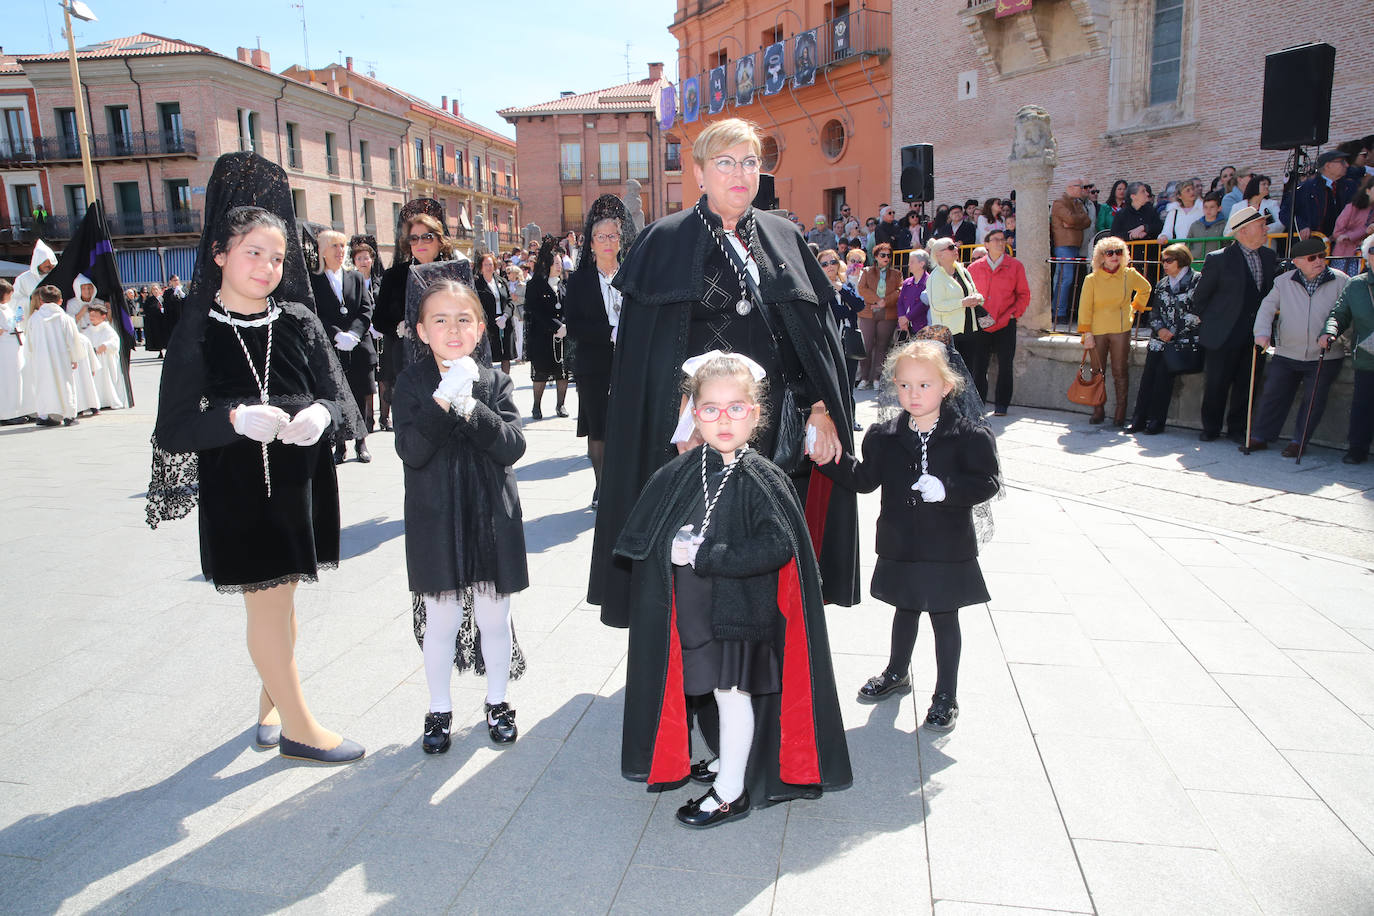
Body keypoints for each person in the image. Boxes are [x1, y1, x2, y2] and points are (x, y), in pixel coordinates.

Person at [587, 117, 860, 629]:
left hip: (779, 438)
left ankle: (771, 673)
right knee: (704, 567)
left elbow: (815, 343)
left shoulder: (784, 236)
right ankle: (702, 677)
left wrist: (823, 411)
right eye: (725, 162)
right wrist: (682, 423)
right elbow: (647, 364)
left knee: (773, 556)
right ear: (699, 173)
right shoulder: (661, 242)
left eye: (750, 162)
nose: (740, 173)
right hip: (700, 440)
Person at [148, 153, 365, 765]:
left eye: (277, 257)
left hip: (301, 485)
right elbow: (173, 427)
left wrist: (321, 416)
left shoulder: (297, 318)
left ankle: (270, 706)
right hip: (239, 491)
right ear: (219, 253)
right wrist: (234, 420)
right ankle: (299, 727)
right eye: (253, 253)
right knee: (268, 603)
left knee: (284, 602)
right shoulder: (196, 328)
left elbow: (342, 400)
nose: (268, 267)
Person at [614, 352, 851, 826]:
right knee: (713, 692)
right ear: (693, 413)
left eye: (736, 408)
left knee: (732, 695)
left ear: (756, 414)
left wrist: (706, 554)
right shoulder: (684, 469)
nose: (724, 420)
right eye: (710, 409)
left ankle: (730, 792)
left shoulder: (762, 479)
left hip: (742, 614)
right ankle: (730, 761)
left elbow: (779, 547)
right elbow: (646, 534)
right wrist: (672, 546)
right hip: (700, 612)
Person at [820, 335, 1000, 731]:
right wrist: (829, 458)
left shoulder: (970, 435)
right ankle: (897, 671)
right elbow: (864, 479)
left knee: (943, 616)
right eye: (904, 385)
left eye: (924, 385)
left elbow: (987, 482)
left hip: (946, 545)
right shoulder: (885, 436)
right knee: (905, 608)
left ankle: (945, 694)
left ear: (947, 386)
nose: (913, 394)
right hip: (901, 541)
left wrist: (948, 489)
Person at [394, 280, 528, 753]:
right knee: (442, 618)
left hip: (492, 516)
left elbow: (513, 444)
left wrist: (471, 406)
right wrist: (441, 401)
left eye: (463, 319)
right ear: (421, 330)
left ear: (481, 328)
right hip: (437, 517)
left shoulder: (495, 381)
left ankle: (498, 699)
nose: (453, 329)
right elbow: (411, 449)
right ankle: (439, 708)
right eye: (440, 319)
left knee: (495, 616)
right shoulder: (411, 382)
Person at [1246, 238, 1349, 456]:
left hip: (1324, 354)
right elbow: (1267, 307)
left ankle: (1298, 442)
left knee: (1313, 401)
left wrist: (1343, 340)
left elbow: (1347, 314)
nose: (1319, 261)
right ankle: (1260, 436)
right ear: (1297, 262)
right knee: (1273, 395)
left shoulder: (1342, 281)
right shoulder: (1283, 281)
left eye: (1322, 256)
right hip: (1287, 351)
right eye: (1312, 258)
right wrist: (1262, 333)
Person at [564, 194, 635, 508]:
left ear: (620, 240)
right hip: (593, 363)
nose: (607, 241)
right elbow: (575, 326)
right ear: (590, 243)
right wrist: (610, 332)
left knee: (628, 424)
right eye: (600, 236)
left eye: (613, 235)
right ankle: (601, 487)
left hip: (629, 361)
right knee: (599, 427)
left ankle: (626, 486)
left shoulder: (633, 276)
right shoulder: (578, 281)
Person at [1193, 206, 1279, 443]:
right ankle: (1210, 428)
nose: (1266, 229)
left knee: (1248, 384)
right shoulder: (1219, 259)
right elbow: (1200, 298)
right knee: (1217, 384)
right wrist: (1214, 322)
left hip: (1255, 334)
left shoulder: (1269, 257)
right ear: (1242, 231)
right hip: (1223, 334)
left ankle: (1238, 428)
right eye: (1261, 225)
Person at [374, 200, 454, 430]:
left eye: (427, 237)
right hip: (407, 362)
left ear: (440, 240)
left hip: (448, 361)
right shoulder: (394, 276)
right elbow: (379, 319)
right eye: (414, 238)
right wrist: (397, 327)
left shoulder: (453, 272)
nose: (420, 243)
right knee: (415, 431)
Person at [309, 229, 376, 464]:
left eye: (342, 246)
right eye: (335, 246)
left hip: (358, 347)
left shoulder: (356, 278)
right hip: (332, 347)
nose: (340, 251)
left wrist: (355, 334)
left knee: (360, 395)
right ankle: (340, 444)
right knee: (336, 395)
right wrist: (336, 335)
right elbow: (314, 312)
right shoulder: (314, 280)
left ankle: (361, 442)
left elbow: (366, 309)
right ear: (323, 251)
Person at [1127, 244, 1201, 435]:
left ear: (1181, 260)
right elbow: (1155, 311)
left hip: (1181, 340)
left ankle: (1156, 421)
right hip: (1159, 340)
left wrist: (1173, 331)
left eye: (1169, 261)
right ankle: (1138, 419)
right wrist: (1160, 329)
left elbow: (1196, 312)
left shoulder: (1196, 280)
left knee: (1163, 378)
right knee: (1148, 378)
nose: (1164, 265)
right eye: (1163, 261)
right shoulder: (1162, 283)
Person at [1078, 237, 1153, 426]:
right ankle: (1098, 409)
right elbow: (1085, 307)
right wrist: (1086, 333)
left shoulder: (1129, 274)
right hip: (1097, 330)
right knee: (1097, 371)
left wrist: (1135, 307)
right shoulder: (1092, 279)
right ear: (1101, 257)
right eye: (1109, 252)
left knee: (1121, 371)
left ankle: (1120, 412)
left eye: (1118, 252)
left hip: (1121, 329)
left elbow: (1146, 288)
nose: (1114, 256)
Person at [1319, 235, 1374, 464]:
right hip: (1368, 356)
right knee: (1363, 405)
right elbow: (1339, 314)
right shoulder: (1357, 285)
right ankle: (1357, 449)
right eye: (1373, 250)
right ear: (1366, 256)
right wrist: (1329, 331)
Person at [967, 228, 1030, 416]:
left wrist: (1013, 314)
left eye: (1002, 240)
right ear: (986, 244)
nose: (1000, 243)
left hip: (1006, 323)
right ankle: (978, 405)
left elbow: (1024, 294)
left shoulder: (1015, 266)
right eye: (995, 240)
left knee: (1005, 365)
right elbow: (969, 294)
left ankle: (1002, 405)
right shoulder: (974, 268)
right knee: (979, 366)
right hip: (981, 324)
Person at [524, 235, 571, 419]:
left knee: (563, 372)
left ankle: (561, 405)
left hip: (563, 336)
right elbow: (534, 310)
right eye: (556, 263)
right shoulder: (535, 285)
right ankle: (536, 406)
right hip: (542, 337)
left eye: (560, 263)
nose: (559, 266)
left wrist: (565, 325)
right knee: (541, 373)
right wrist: (555, 326)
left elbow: (569, 307)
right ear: (548, 264)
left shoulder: (564, 285)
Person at [22, 285, 80, 427]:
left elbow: (28, 341)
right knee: (65, 383)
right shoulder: (65, 318)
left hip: (40, 359)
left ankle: (44, 415)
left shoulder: (34, 319)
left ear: (41, 301)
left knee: (43, 385)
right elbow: (72, 340)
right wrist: (74, 357)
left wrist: (30, 356)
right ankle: (69, 415)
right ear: (60, 301)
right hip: (61, 358)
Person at [925, 237, 984, 370]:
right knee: (953, 374)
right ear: (939, 254)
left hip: (970, 329)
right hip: (949, 334)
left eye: (955, 246)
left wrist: (977, 298)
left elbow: (975, 292)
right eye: (951, 247)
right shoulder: (935, 277)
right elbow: (937, 306)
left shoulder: (963, 271)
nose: (956, 249)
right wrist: (962, 303)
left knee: (970, 372)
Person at [348, 235, 384, 432]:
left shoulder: (379, 281)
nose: (363, 262)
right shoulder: (351, 281)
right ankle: (363, 422)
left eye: (366, 258)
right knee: (361, 383)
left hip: (379, 335)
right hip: (361, 335)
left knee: (379, 381)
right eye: (359, 258)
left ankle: (377, 418)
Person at [856, 242, 900, 390]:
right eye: (883, 255)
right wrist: (876, 300)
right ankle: (864, 377)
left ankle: (876, 378)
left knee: (882, 346)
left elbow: (899, 290)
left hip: (887, 313)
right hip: (868, 312)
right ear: (876, 256)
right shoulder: (867, 272)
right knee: (866, 345)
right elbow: (861, 289)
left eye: (889, 255)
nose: (886, 258)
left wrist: (884, 302)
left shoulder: (896, 274)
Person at [1051, 179, 1094, 325]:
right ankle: (1058, 312)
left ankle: (1062, 310)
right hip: (1064, 244)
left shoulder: (1077, 203)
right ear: (1071, 187)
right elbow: (1069, 218)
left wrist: (1072, 224)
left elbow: (1087, 221)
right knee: (1065, 278)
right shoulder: (1059, 203)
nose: (1082, 189)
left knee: (1068, 279)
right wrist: (1076, 222)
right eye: (1080, 187)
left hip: (1075, 244)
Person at [1294, 150, 1357, 241]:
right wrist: (1302, 226)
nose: (1347, 165)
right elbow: (1287, 212)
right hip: (1315, 241)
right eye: (1342, 162)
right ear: (1328, 166)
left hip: (1343, 240)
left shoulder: (1350, 186)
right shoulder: (1307, 188)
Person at [64, 274, 103, 417]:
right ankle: (82, 404)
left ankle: (98, 401)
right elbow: (69, 323)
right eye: (84, 288)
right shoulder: (72, 304)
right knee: (83, 375)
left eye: (89, 288)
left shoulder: (98, 302)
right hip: (80, 343)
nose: (87, 291)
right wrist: (82, 312)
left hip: (96, 340)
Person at [0, 279, 34, 425]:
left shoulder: (7, 307)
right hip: (5, 349)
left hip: (15, 348)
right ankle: (7, 413)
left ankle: (19, 409)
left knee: (18, 379)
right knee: (8, 380)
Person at [474, 252, 514, 375]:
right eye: (486, 264)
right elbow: (477, 305)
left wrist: (505, 316)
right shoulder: (477, 284)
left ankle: (505, 381)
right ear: (481, 266)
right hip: (488, 324)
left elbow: (509, 301)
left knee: (506, 355)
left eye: (491, 264)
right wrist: (491, 320)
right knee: (490, 354)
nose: (489, 267)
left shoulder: (501, 281)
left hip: (504, 322)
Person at [81, 302, 126, 410]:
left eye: (95, 315)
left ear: (103, 316)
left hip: (106, 361)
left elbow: (114, 342)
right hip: (93, 361)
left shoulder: (107, 329)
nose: (92, 318)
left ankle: (109, 400)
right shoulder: (87, 331)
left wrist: (106, 345)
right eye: (91, 315)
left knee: (106, 383)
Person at [1331, 176, 1374, 276]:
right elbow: (1337, 232)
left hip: (1366, 255)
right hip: (1345, 254)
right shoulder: (1352, 207)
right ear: (1367, 191)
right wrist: (1362, 232)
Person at [897, 249, 932, 338]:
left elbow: (923, 304)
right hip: (908, 326)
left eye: (912, 262)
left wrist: (907, 317)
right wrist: (901, 317)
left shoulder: (930, 282)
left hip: (923, 326)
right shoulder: (907, 282)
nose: (909, 264)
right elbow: (900, 302)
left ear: (922, 263)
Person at [1187, 193, 1229, 261]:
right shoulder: (1195, 225)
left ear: (1219, 208)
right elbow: (1188, 244)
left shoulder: (1225, 225)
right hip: (1196, 262)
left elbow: (1227, 245)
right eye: (1205, 207)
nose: (1208, 210)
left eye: (1212, 207)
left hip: (1216, 262)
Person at [141, 282, 175, 358]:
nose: (155, 291)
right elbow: (147, 310)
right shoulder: (149, 300)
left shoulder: (163, 298)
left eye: (156, 289)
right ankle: (160, 351)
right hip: (155, 322)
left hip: (164, 320)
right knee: (158, 337)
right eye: (153, 289)